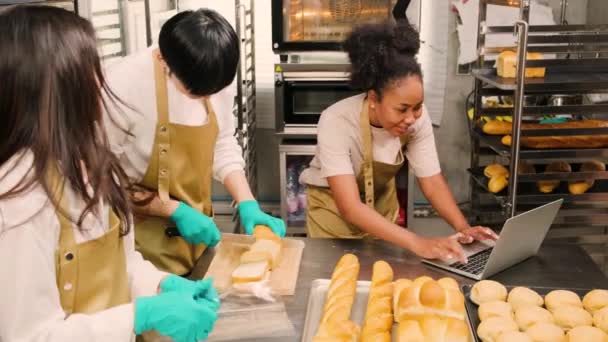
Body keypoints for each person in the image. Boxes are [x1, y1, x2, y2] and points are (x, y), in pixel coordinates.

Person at [0, 6, 220, 341]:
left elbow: (122, 264)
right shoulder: (18, 198)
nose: (100, 82)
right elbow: (30, 336)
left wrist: (160, 285)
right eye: (90, 70)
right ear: (59, 89)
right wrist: (140, 315)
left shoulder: (89, 162)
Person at [104, 9, 285, 275]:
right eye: (195, 92)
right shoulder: (121, 86)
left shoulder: (214, 69)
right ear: (161, 59)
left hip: (194, 239)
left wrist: (247, 202)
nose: (209, 97)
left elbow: (222, 141)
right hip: (137, 247)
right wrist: (171, 209)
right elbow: (98, 182)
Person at [299, 21, 498, 262]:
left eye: (417, 107)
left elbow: (432, 181)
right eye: (402, 109)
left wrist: (463, 227)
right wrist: (418, 243)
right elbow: (349, 206)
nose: (411, 118)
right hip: (334, 216)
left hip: (382, 212)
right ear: (373, 98)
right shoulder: (337, 120)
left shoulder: (416, 119)